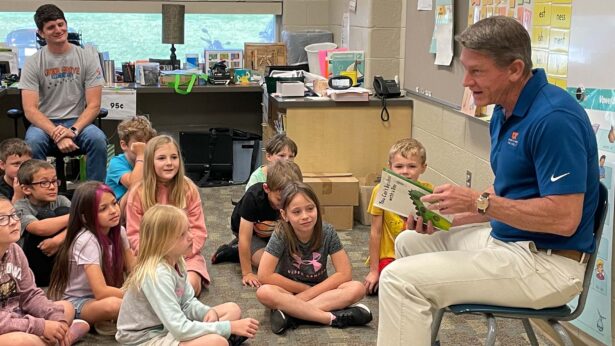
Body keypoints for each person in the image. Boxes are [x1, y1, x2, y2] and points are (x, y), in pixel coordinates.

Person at [377, 16, 600, 345]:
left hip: (548, 265)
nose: (466, 81)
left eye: (476, 71)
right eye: (466, 69)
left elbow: (565, 218)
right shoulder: (503, 109)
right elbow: (507, 191)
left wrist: (477, 202)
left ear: (514, 69)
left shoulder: (554, 119)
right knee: (410, 242)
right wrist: (446, 219)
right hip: (509, 242)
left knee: (398, 279)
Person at [116, 204, 259, 346]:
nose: (191, 237)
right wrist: (229, 327)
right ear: (163, 243)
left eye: (189, 230)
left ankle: (222, 338)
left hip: (168, 327)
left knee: (232, 310)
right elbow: (180, 329)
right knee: (217, 342)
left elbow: (187, 303)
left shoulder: (177, 260)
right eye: (182, 235)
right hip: (146, 339)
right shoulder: (157, 275)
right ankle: (224, 339)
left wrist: (206, 312)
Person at [255, 182, 372, 334]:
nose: (305, 216)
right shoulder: (281, 234)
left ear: (317, 207)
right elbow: (264, 275)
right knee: (264, 292)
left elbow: (344, 273)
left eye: (310, 209)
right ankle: (330, 317)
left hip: (321, 292)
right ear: (285, 215)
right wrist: (304, 290)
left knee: (357, 288)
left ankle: (292, 315)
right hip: (288, 292)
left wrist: (308, 294)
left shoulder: (327, 231)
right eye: (296, 212)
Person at [19, 4, 107, 182]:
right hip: (44, 124)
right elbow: (30, 110)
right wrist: (56, 133)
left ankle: (94, 196)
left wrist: (72, 131)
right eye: (51, 27)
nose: (58, 30)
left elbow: (94, 105)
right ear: (41, 33)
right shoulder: (33, 62)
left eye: (61, 24)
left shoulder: (86, 58)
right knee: (32, 144)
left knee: (98, 140)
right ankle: (40, 199)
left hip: (77, 121)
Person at [125, 135, 210, 295]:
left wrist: (179, 254)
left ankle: (178, 314)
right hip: (151, 257)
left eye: (174, 157)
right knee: (146, 289)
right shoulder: (137, 193)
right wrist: (161, 257)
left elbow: (199, 232)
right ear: (150, 162)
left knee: (190, 286)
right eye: (161, 158)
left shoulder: (188, 188)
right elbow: (134, 236)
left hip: (185, 257)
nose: (169, 163)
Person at [0, 196, 90, 345]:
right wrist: (40, 326)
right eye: (3, 219)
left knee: (65, 308)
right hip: (7, 328)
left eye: (14, 214)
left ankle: (54, 337)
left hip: (19, 317)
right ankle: (61, 338)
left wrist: (55, 318)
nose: (14, 221)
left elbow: (30, 294)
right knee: (21, 341)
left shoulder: (15, 250)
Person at [48, 182, 135, 335]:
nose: (113, 211)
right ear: (85, 216)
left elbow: (134, 270)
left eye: (114, 203)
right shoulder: (86, 240)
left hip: (101, 297)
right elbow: (101, 291)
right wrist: (141, 296)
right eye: (103, 209)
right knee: (114, 305)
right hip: (76, 301)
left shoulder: (119, 232)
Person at [212, 160, 303, 288]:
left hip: (272, 230)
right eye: (279, 199)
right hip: (247, 232)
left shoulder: (293, 197)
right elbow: (245, 237)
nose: (284, 204)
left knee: (296, 262)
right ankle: (233, 251)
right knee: (267, 264)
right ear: (266, 188)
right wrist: (247, 273)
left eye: (289, 199)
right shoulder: (253, 197)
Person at [363, 138, 430, 295]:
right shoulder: (381, 190)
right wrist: (373, 271)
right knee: (391, 283)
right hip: (390, 255)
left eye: (412, 166)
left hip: (417, 254)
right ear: (390, 167)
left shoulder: (429, 192)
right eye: (399, 166)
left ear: (423, 168)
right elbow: (375, 232)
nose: (405, 171)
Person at [15, 159, 70, 287]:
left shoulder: (61, 200)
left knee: (63, 211)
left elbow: (82, 224)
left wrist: (58, 240)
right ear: (27, 189)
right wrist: (76, 215)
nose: (52, 186)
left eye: (54, 181)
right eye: (44, 183)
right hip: (34, 263)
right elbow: (39, 228)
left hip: (59, 258)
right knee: (46, 216)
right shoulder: (20, 206)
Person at [105, 116, 157, 204]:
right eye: (139, 141)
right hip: (120, 209)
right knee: (135, 190)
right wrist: (141, 155)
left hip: (143, 205)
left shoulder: (150, 161)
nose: (144, 146)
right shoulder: (116, 163)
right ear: (124, 145)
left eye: (148, 142)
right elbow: (134, 185)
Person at [0, 138, 32, 203]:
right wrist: (18, 196)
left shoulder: (36, 182)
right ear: (2, 165)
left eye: (27, 163)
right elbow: (6, 212)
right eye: (16, 164)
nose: (23, 167)